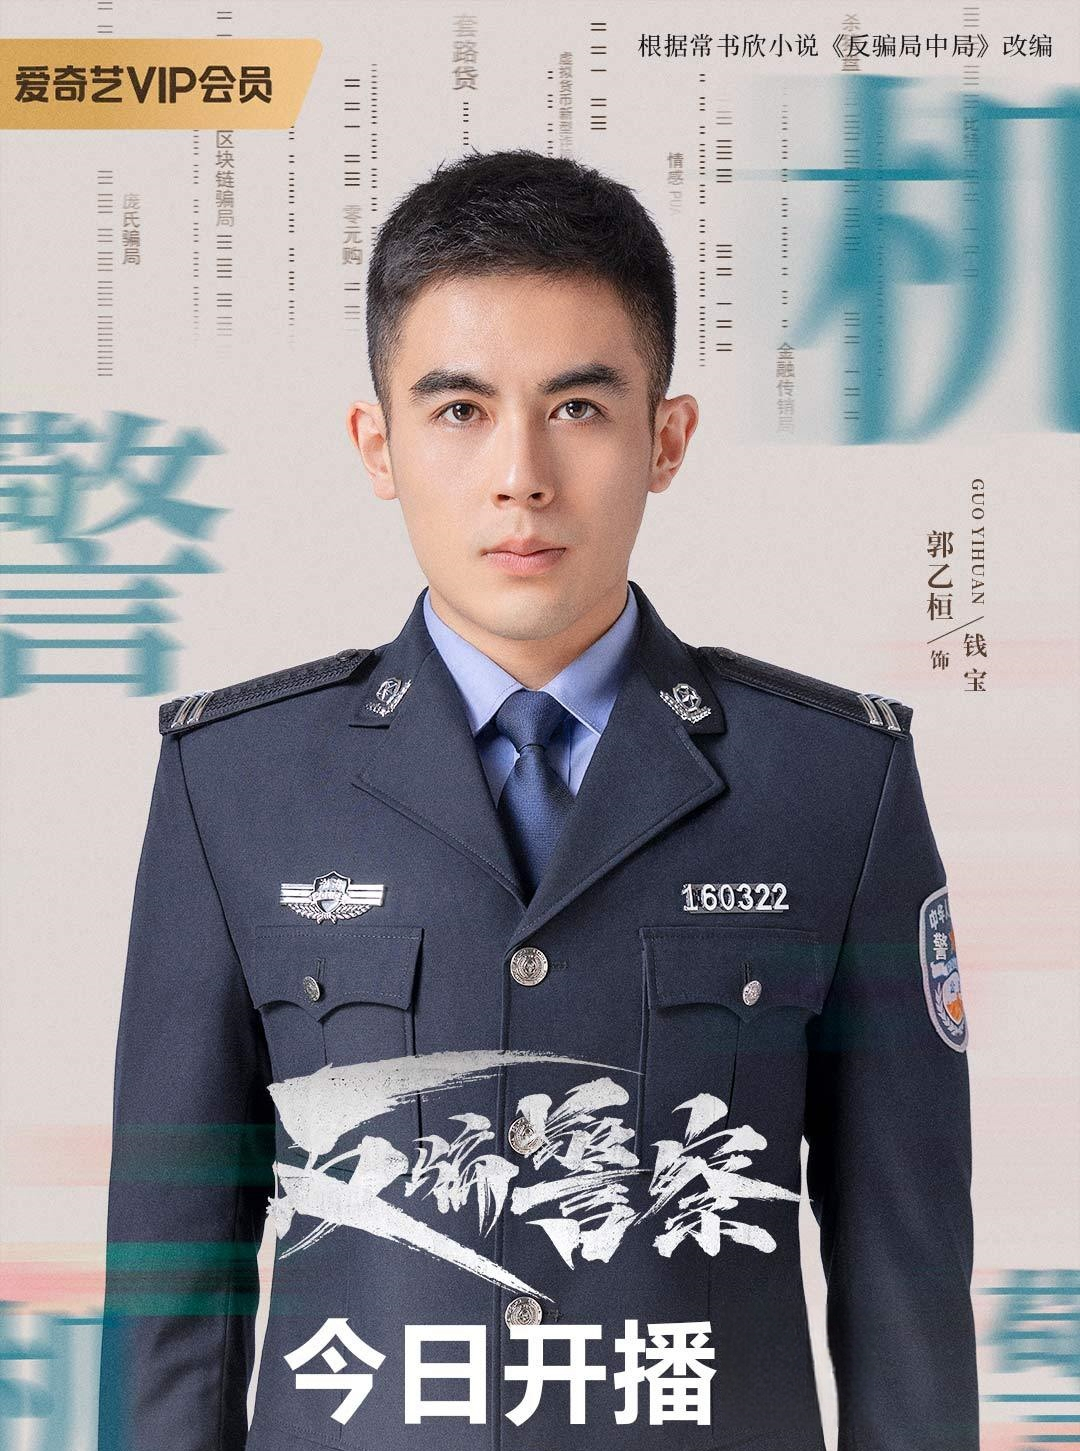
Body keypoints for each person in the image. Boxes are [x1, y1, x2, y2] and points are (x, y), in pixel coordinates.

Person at [97, 148, 978, 1451]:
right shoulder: (237, 786)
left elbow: (907, 1286)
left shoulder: (833, 785)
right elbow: (172, 1290)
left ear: (665, 438)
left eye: (577, 406)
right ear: (378, 444)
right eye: (459, 409)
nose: (521, 473)